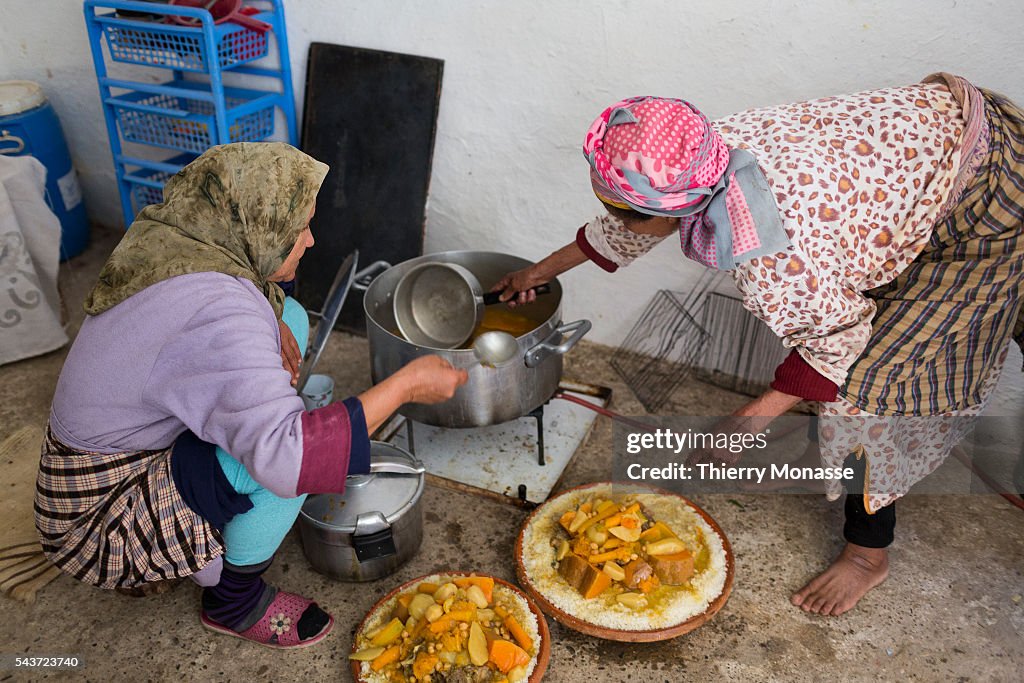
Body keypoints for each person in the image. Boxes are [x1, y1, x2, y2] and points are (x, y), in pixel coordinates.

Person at [494, 74, 1024, 616]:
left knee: (869, 389)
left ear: (671, 210)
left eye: (624, 208)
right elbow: (632, 224)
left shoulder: (776, 261)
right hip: (949, 133)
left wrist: (750, 419)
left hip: (987, 202)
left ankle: (868, 556)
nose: (620, 216)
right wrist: (535, 273)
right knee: (850, 309)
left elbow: (836, 345)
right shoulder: (698, 150)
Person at [35, 142, 468, 648]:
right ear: (256, 224)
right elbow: (292, 457)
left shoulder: (177, 238)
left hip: (112, 442)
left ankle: (228, 464)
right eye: (298, 227)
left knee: (292, 319)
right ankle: (231, 602)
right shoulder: (220, 313)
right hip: (97, 516)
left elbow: (247, 299)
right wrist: (406, 385)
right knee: (286, 461)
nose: (311, 239)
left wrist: (268, 313)